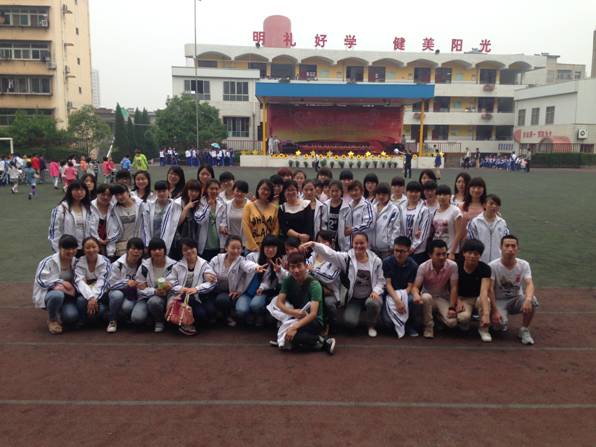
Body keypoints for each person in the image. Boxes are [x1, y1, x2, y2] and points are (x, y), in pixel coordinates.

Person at [303, 232, 384, 337]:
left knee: (373, 303)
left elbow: (381, 280)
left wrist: (376, 291)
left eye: (362, 243)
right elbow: (331, 254)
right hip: (354, 298)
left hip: (370, 295)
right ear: (352, 244)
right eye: (356, 243)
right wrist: (314, 244)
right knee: (350, 323)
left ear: (367, 244)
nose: (359, 246)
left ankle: (371, 326)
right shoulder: (347, 258)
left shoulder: (376, 261)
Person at [267, 252, 336, 354]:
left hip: (313, 321)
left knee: (294, 337)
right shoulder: (288, 280)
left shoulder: (314, 284)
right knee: (275, 313)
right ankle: (299, 340)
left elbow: (313, 314)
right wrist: (293, 312)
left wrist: (294, 327)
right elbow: (279, 302)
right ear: (288, 268)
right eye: (292, 267)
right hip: (296, 316)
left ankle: (322, 342)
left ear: (306, 266)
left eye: (299, 266)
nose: (296, 270)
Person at [489, 235, 538, 345]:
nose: (510, 249)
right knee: (499, 326)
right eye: (507, 246)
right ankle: (499, 321)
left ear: (517, 248)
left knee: (533, 300)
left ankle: (524, 329)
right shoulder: (493, 266)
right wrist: (494, 310)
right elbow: (490, 289)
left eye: (513, 246)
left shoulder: (524, 265)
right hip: (499, 301)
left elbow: (529, 283)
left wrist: (528, 299)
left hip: (516, 299)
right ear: (501, 247)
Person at [33, 235, 85, 334]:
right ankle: (52, 320)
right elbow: (40, 281)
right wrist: (61, 282)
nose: (71, 251)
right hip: (51, 294)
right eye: (67, 248)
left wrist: (70, 290)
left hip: (69, 296)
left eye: (73, 248)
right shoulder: (48, 262)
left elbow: (80, 280)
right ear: (60, 248)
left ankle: (60, 312)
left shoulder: (77, 262)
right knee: (57, 295)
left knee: (71, 317)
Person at [209, 235, 264, 326]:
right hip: (214, 290)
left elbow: (248, 265)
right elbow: (208, 269)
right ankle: (217, 314)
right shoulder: (217, 259)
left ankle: (227, 316)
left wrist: (256, 267)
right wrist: (208, 275)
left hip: (230, 293)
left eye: (239, 248)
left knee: (222, 300)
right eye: (233, 248)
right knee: (209, 309)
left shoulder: (241, 260)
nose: (236, 251)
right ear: (226, 248)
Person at [166, 238, 217, 335]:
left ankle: (190, 320)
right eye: (185, 249)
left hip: (198, 296)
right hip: (181, 296)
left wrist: (196, 289)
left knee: (209, 312)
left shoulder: (204, 264)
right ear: (181, 252)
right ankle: (185, 323)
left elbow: (212, 282)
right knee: (200, 314)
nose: (189, 251)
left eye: (192, 248)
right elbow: (170, 281)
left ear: (196, 248)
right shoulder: (177, 266)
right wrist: (181, 288)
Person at [411, 239, 459, 339]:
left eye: (444, 254)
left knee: (452, 323)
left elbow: (454, 287)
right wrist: (415, 294)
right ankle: (428, 327)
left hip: (443, 298)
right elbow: (415, 287)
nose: (442, 257)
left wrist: (452, 307)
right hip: (428, 298)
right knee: (426, 297)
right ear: (430, 255)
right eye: (438, 254)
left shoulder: (453, 266)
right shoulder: (423, 267)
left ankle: (438, 317)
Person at [237, 235, 286, 325]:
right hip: (247, 292)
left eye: (273, 247)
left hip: (262, 293)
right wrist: (256, 267)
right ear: (263, 247)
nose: (270, 250)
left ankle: (260, 314)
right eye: (267, 247)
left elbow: (272, 282)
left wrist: (262, 287)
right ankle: (251, 315)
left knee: (255, 305)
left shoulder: (278, 262)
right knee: (241, 310)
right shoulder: (253, 256)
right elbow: (244, 264)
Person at [135, 238, 177, 333]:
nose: (157, 252)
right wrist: (154, 291)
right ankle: (158, 320)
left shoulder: (174, 264)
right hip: (150, 297)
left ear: (164, 250)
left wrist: (170, 285)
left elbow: (179, 282)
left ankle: (164, 319)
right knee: (137, 317)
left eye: (160, 249)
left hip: (170, 294)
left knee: (169, 303)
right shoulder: (144, 266)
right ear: (149, 251)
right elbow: (140, 288)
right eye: (154, 249)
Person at [381, 236, 419, 337]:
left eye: (402, 251)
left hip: (405, 294)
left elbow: (410, 286)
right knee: (388, 323)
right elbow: (388, 284)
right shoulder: (387, 262)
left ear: (409, 251)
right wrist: (397, 301)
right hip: (390, 294)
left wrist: (402, 299)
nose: (398, 254)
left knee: (413, 300)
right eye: (396, 250)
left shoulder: (413, 265)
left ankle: (410, 325)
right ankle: (397, 323)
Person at [105, 237, 145, 333]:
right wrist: (126, 282)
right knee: (117, 295)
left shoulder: (144, 264)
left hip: (134, 294)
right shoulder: (117, 264)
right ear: (127, 250)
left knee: (127, 307)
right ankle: (112, 320)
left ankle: (125, 318)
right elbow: (110, 284)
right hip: (119, 292)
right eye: (133, 248)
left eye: (139, 249)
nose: (136, 252)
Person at [457, 239, 493, 342]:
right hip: (463, 299)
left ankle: (484, 330)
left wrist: (486, 314)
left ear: (480, 255)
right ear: (464, 253)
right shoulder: (456, 266)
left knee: (486, 300)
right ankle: (465, 322)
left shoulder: (485, 268)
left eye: (476, 254)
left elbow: (484, 291)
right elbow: (452, 287)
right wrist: (457, 300)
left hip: (477, 298)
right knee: (463, 318)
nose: (472, 256)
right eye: (469, 253)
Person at [306, 230, 341, 334]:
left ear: (331, 243)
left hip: (330, 292)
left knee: (329, 303)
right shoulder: (312, 256)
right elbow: (305, 271)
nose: (320, 244)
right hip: (314, 289)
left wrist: (313, 271)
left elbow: (330, 278)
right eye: (318, 241)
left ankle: (331, 325)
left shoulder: (336, 258)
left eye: (324, 241)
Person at [74, 237, 111, 325]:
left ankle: (98, 315)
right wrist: (90, 297)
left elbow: (103, 282)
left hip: (101, 295)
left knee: (100, 311)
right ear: (83, 250)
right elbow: (79, 282)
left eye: (94, 247)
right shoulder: (79, 262)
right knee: (80, 301)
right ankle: (84, 320)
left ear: (98, 248)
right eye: (87, 248)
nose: (91, 250)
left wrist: (94, 298)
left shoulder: (105, 262)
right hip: (86, 295)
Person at [49, 180, 93, 253]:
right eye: (76, 190)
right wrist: (58, 251)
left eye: (82, 190)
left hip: (85, 249)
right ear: (70, 191)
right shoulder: (60, 209)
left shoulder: (89, 208)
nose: (79, 192)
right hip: (68, 249)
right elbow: (54, 232)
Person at [467, 194, 509, 264]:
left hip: (498, 261)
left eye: (497, 205)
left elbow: (505, 242)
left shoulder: (502, 223)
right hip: (480, 261)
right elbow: (471, 242)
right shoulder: (475, 222)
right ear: (484, 205)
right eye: (491, 204)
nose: (494, 206)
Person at [242, 179, 280, 253]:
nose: (265, 192)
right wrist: (254, 246)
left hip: (268, 248)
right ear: (258, 190)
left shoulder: (274, 208)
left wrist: (270, 244)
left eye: (268, 190)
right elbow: (245, 227)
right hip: (251, 249)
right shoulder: (249, 206)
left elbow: (276, 228)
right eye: (263, 189)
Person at [194, 179, 227, 261]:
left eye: (216, 189)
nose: (214, 191)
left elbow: (224, 221)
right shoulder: (200, 202)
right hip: (204, 245)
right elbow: (199, 220)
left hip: (218, 244)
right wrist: (208, 206)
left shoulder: (222, 204)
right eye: (211, 188)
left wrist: (223, 226)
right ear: (206, 189)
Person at [400, 181, 431, 265]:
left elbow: (424, 232)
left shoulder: (424, 210)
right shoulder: (401, 208)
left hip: (418, 252)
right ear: (406, 192)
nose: (413, 194)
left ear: (420, 193)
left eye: (416, 192)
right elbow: (399, 228)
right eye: (411, 191)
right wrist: (403, 246)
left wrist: (412, 247)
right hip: (403, 250)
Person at [107, 184, 143, 258]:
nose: (119, 197)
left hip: (138, 245)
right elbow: (112, 231)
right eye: (116, 195)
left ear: (128, 192)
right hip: (122, 247)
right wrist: (110, 251)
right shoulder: (114, 210)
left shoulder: (140, 205)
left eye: (121, 193)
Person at [169, 180, 202, 260]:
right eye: (191, 190)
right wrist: (186, 208)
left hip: (194, 240)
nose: (194, 193)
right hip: (179, 240)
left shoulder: (200, 203)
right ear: (186, 190)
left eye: (196, 191)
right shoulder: (177, 203)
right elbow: (176, 223)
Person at [140, 181, 176, 253]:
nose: (161, 193)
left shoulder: (175, 206)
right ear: (155, 192)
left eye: (164, 191)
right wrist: (148, 244)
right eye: (159, 191)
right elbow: (146, 226)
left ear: (169, 191)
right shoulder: (149, 205)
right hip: (153, 242)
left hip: (171, 243)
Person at [369, 183, 401, 260]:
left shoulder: (394, 209)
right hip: (372, 248)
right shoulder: (371, 208)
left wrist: (392, 245)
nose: (381, 196)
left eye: (384, 194)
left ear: (389, 195)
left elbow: (396, 229)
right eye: (378, 194)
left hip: (387, 249)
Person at [339, 180, 374, 252]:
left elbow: (369, 224)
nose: (354, 193)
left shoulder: (367, 205)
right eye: (351, 191)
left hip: (363, 246)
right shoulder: (348, 205)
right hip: (349, 246)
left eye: (356, 190)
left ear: (361, 191)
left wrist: (352, 230)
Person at [433, 185, 464, 261]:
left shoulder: (455, 211)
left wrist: (452, 252)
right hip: (437, 250)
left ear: (450, 196)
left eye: (445, 194)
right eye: (439, 194)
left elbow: (459, 233)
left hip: (450, 251)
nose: (442, 197)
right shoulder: (435, 211)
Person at [90, 184, 114, 256]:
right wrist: (98, 239)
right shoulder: (89, 207)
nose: (106, 197)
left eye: (109, 195)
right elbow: (89, 226)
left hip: (110, 244)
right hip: (92, 244)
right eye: (103, 194)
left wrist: (110, 239)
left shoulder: (114, 208)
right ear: (97, 194)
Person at [324, 180, 348, 248]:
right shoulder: (325, 205)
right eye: (332, 191)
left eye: (337, 191)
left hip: (341, 240)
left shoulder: (347, 207)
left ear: (341, 192)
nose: (334, 193)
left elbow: (348, 226)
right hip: (327, 239)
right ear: (329, 191)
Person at [225, 180, 249, 245]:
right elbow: (223, 221)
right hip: (231, 242)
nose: (239, 194)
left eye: (242, 191)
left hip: (246, 243)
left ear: (246, 193)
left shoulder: (250, 205)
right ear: (233, 191)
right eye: (237, 191)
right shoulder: (227, 205)